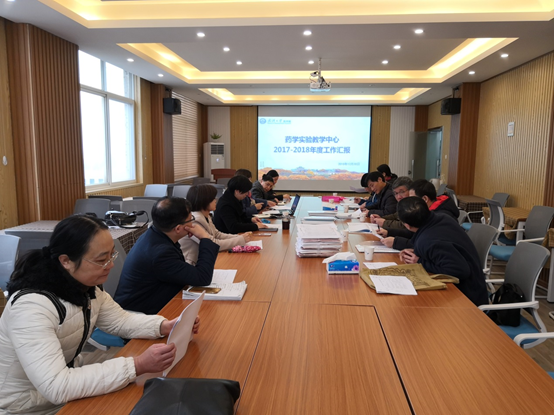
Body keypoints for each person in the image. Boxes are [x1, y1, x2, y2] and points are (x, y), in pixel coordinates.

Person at [0, 215, 199, 415]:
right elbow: (56, 386)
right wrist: (137, 365)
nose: (111, 265)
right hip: (25, 405)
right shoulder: (31, 308)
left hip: (64, 380)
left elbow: (120, 321)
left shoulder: (85, 286)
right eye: (101, 260)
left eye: (111, 255)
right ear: (66, 261)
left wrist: (164, 325)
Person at [114, 197, 219, 315]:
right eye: (191, 219)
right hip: (138, 315)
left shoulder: (155, 234)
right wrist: (205, 238)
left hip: (154, 302)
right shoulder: (160, 253)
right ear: (178, 228)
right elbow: (202, 278)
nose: (192, 223)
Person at [397, 197, 488, 306]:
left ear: (407, 226)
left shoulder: (427, 241)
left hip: (467, 297)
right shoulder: (442, 218)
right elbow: (443, 248)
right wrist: (417, 252)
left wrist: (420, 261)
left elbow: (460, 270)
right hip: (476, 284)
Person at [378, 179, 460, 250]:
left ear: (425, 199)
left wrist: (396, 242)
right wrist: (389, 232)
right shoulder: (430, 211)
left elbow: (426, 244)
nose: (410, 202)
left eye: (412, 199)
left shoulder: (439, 217)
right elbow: (415, 233)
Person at [180, 184, 251, 265]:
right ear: (204, 201)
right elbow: (213, 244)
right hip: (192, 264)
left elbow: (217, 234)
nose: (215, 200)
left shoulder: (206, 216)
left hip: (204, 259)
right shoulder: (194, 220)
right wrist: (240, 239)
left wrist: (239, 237)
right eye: (213, 198)